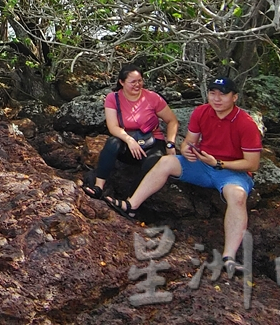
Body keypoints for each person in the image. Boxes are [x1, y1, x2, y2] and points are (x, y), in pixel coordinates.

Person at [105, 77, 261, 273]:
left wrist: (219, 163)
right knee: (166, 161)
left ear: (235, 97)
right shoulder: (202, 112)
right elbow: (189, 141)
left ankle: (228, 257)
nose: (217, 99)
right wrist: (186, 149)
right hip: (202, 164)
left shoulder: (246, 123)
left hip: (231, 172)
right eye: (213, 93)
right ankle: (131, 205)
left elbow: (253, 164)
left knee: (237, 196)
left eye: (223, 94)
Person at [82, 64, 179, 200]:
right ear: (122, 82)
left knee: (154, 162)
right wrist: (129, 140)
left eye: (140, 81)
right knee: (112, 142)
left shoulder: (152, 97)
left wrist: (170, 144)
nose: (137, 85)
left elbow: (172, 121)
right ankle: (98, 187)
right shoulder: (113, 98)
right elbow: (113, 127)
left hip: (152, 142)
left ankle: (129, 200)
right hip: (129, 144)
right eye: (133, 82)